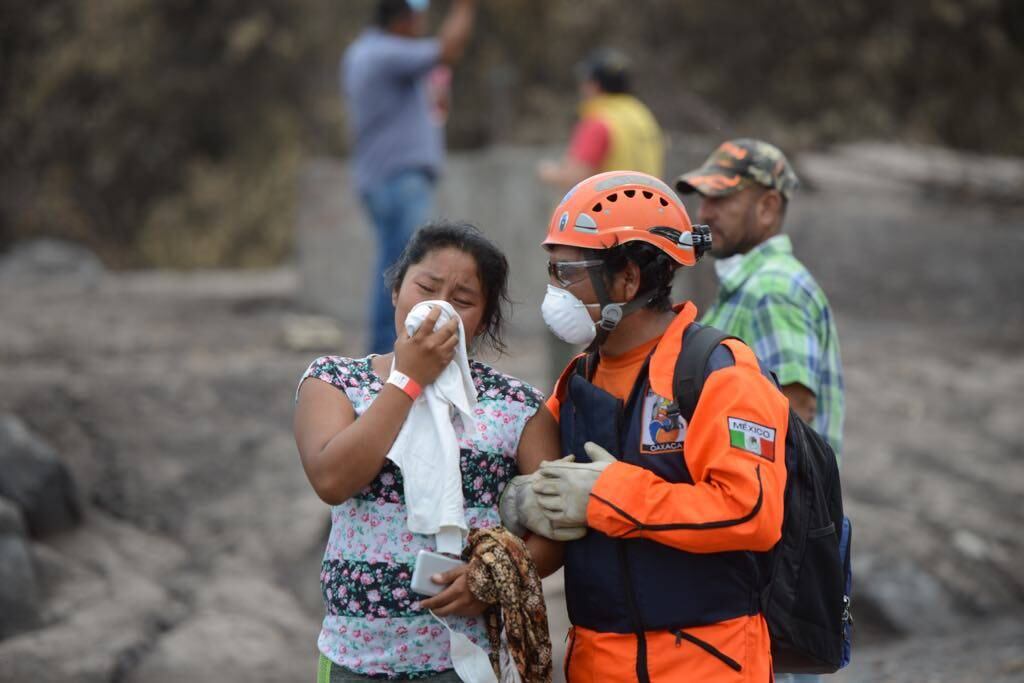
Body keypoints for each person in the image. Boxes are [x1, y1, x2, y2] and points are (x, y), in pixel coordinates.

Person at [501, 171, 790, 681]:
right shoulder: (578, 382)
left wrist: (609, 495)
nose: (554, 292)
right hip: (595, 662)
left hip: (708, 664)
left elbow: (752, 512)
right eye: (552, 271)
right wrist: (518, 503)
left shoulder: (717, 373)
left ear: (628, 279)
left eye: (568, 273)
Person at [294, 221, 561, 681]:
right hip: (355, 660)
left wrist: (491, 579)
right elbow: (333, 480)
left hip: (466, 664)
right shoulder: (335, 382)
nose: (440, 308)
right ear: (396, 290)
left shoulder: (517, 406)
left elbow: (558, 528)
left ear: (483, 320)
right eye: (426, 288)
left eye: (463, 300)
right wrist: (407, 380)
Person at [675, 139, 845, 460]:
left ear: (767, 207)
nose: (704, 212)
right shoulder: (752, 284)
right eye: (704, 198)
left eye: (720, 198)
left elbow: (794, 415)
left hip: (768, 493)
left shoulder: (773, 289)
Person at [342, 0, 478, 355]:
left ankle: (388, 351)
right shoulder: (385, 53)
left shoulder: (366, 52)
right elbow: (448, 49)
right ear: (402, 19)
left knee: (397, 264)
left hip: (385, 177)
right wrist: (464, 8)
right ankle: (388, 353)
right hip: (398, 178)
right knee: (402, 267)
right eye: (417, 16)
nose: (421, 24)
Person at [536, 49, 664, 190]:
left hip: (610, 202)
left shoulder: (599, 120)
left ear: (594, 85)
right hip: (651, 201)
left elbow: (575, 177)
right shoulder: (643, 115)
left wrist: (550, 173)